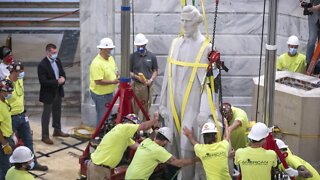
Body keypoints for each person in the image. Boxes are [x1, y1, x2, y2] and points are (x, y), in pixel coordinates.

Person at [159, 5, 213, 179]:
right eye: (182, 20)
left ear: (197, 22)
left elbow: (210, 83)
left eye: (188, 21)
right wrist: (162, 103)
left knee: (186, 141)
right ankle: (173, 174)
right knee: (171, 139)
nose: (184, 25)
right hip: (173, 98)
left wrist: (205, 110)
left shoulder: (206, 47)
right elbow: (167, 73)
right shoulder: (175, 43)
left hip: (192, 99)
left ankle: (189, 177)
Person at [87, 113, 158, 180]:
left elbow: (139, 147)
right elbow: (144, 126)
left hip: (100, 167)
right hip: (99, 168)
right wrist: (154, 120)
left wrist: (152, 143)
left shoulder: (124, 136)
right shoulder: (124, 128)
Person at [7, 63, 48, 171]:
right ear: (13, 72)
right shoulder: (5, 85)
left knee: (28, 140)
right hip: (11, 118)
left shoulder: (20, 80)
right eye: (19, 72)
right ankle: (11, 168)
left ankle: (33, 164)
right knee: (11, 144)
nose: (22, 74)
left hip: (22, 116)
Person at [125, 127, 198, 180]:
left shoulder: (146, 142)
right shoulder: (159, 151)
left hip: (128, 176)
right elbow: (179, 163)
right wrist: (197, 159)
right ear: (166, 142)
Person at [37, 43, 69, 145]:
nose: (56, 54)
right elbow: (43, 81)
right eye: (53, 52)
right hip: (48, 93)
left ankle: (57, 130)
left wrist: (63, 79)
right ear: (48, 52)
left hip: (58, 91)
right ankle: (45, 136)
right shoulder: (42, 65)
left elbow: (62, 73)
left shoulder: (57, 60)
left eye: (56, 52)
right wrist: (57, 81)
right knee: (46, 115)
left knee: (57, 111)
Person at [89, 37, 119, 127]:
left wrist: (117, 75)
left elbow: (115, 69)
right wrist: (113, 81)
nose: (111, 51)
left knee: (108, 115)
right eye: (110, 49)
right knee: (103, 116)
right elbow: (98, 81)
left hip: (109, 93)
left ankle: (106, 134)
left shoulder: (110, 58)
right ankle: (99, 135)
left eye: (111, 49)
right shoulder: (97, 63)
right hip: (101, 95)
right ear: (103, 49)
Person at [130, 33, 158, 121]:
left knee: (146, 108)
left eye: (142, 45)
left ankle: (145, 128)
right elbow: (129, 72)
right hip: (137, 86)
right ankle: (135, 129)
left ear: (145, 45)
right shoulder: (132, 57)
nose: (140, 47)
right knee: (135, 108)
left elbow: (155, 71)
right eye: (138, 46)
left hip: (148, 86)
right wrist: (137, 77)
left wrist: (151, 79)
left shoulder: (152, 56)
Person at [0, 79, 14, 180]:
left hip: (7, 136)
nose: (10, 93)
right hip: (2, 140)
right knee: (5, 169)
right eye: (9, 91)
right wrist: (4, 143)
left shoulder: (5, 101)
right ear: (2, 91)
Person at [303, 0, 320, 74]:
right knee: (311, 40)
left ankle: (318, 64)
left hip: (315, 9)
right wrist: (302, 2)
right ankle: (309, 63)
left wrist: (315, 8)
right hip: (313, 16)